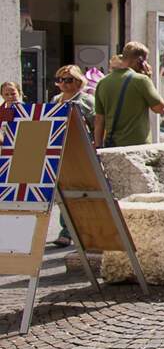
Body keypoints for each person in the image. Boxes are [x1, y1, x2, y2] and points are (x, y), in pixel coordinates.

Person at [46, 66, 95, 247]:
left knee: (82, 191)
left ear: (78, 80)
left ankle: (78, 231)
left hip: (80, 151)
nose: (63, 84)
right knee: (63, 192)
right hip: (58, 150)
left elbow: (96, 124)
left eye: (68, 79)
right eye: (60, 79)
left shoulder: (87, 100)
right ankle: (66, 230)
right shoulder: (55, 100)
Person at [94, 42, 164, 148]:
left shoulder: (102, 82)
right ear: (140, 60)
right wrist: (148, 79)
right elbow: (160, 109)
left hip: (111, 145)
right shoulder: (141, 80)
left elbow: (99, 119)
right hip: (137, 145)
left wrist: (98, 146)